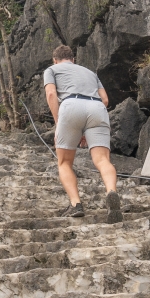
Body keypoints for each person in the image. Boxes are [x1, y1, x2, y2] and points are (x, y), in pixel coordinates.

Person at [43, 44, 122, 223]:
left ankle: (76, 204)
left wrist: (58, 122)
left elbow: (50, 94)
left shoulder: (52, 69)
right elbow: (105, 99)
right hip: (96, 107)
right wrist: (86, 128)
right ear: (73, 59)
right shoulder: (90, 73)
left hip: (71, 106)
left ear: (55, 60)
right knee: (103, 160)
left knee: (64, 162)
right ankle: (111, 192)